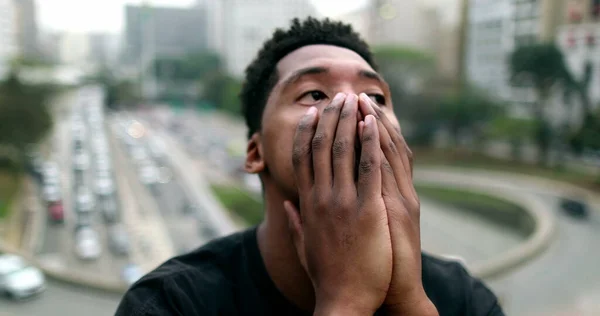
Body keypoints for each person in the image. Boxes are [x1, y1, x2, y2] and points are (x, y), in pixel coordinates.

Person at [116, 17, 505, 316]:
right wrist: (345, 302)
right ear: (255, 152)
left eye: (375, 96)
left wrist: (407, 300)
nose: (356, 107)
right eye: (315, 93)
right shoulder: (171, 304)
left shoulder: (466, 300)